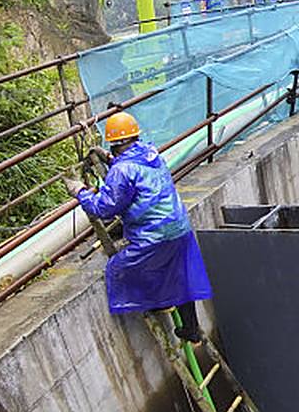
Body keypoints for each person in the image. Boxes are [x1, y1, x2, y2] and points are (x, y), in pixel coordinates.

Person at [74, 112, 211, 343]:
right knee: (181, 276)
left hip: (153, 237)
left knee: (120, 268)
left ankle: (158, 302)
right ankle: (192, 329)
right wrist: (109, 159)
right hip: (179, 228)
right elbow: (133, 171)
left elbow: (104, 208)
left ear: (113, 143)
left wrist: (80, 192)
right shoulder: (151, 153)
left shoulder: (120, 171)